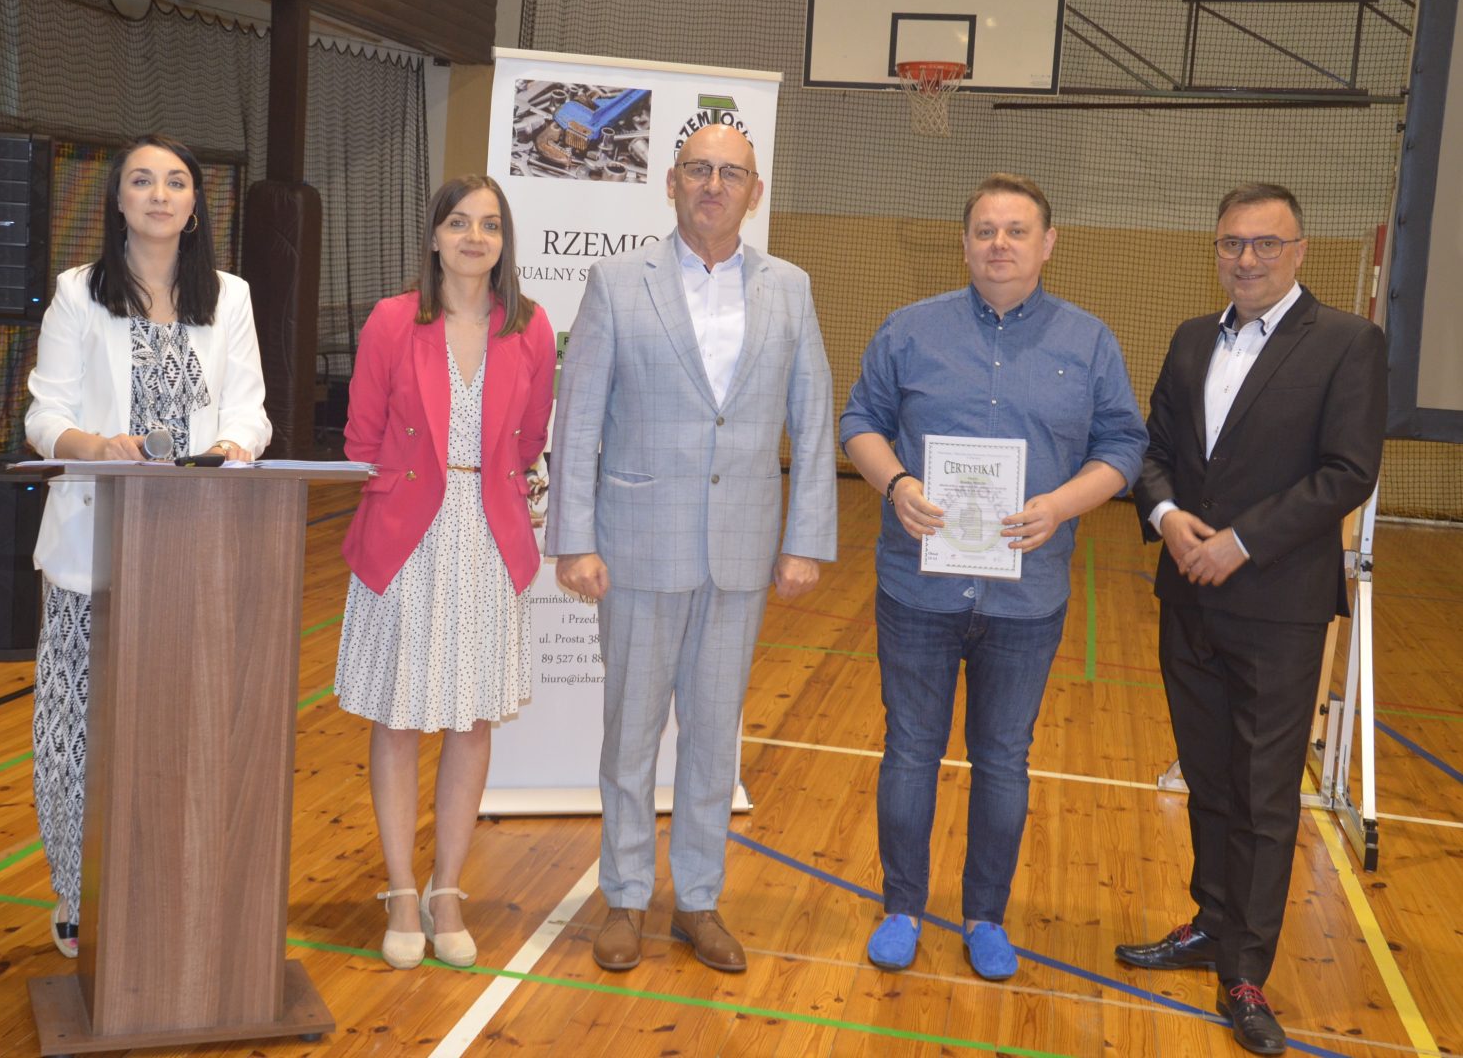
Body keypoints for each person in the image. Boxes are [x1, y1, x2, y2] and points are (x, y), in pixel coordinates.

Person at [840, 173, 1146, 981]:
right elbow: (860, 420)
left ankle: (985, 917)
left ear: (1048, 244)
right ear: (965, 242)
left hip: (1027, 595)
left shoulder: (1089, 342)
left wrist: (1062, 505)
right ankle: (902, 907)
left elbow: (1124, 446)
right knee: (911, 750)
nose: (999, 244)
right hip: (918, 588)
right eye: (985, 230)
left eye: (1017, 231)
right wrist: (897, 484)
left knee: (1004, 759)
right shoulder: (909, 330)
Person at [548, 124, 836, 975]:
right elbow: (580, 419)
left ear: (755, 191)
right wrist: (574, 538)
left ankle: (700, 901)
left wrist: (806, 539)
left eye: (731, 173)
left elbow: (813, 419)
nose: (714, 185)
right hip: (637, 547)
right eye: (699, 170)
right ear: (671, 183)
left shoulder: (790, 288)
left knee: (714, 739)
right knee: (630, 737)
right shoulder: (616, 283)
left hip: (740, 552)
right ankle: (626, 897)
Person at [1117, 183, 1386, 1055]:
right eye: (1232, 242)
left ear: (1299, 251)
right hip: (1187, 595)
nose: (1247, 258)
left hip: (1278, 606)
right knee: (1209, 777)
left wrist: (1241, 542)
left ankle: (1245, 971)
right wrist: (1167, 518)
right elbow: (1154, 451)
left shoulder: (1347, 343)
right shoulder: (1193, 338)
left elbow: (1347, 471)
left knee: (1265, 794)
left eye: (1266, 244)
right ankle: (1211, 922)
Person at [24, 134, 270, 958]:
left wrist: (236, 445)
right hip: (92, 551)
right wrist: (95, 445)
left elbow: (249, 409)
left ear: (195, 204)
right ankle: (76, 891)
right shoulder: (77, 294)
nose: (159, 194)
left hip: (198, 551)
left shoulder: (230, 297)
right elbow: (44, 414)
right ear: (119, 201)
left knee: (185, 726)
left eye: (175, 182)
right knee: (78, 728)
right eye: (141, 181)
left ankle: (177, 884)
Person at [334, 175, 555, 970]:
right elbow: (361, 437)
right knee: (397, 719)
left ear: (503, 242)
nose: (473, 238)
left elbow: (530, 440)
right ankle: (401, 889)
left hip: (487, 536)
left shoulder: (531, 327)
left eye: (489, 225)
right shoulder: (393, 321)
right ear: (433, 237)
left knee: (470, 723)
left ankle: (447, 889)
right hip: (405, 539)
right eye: (458, 223)